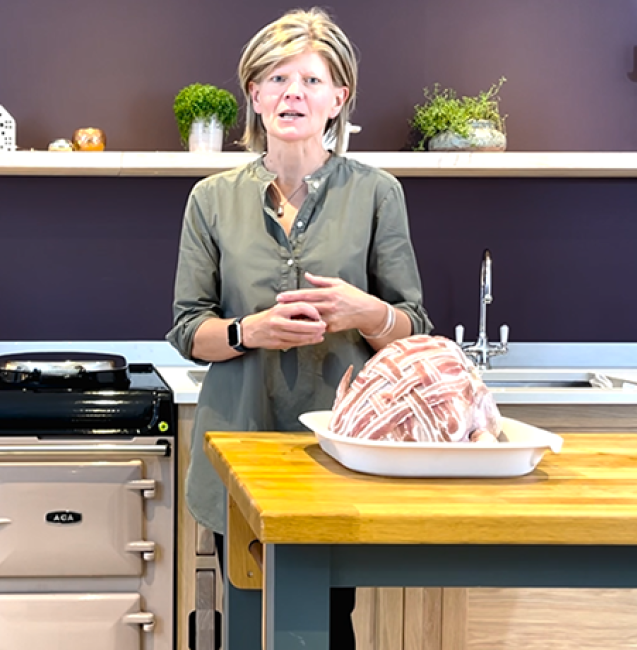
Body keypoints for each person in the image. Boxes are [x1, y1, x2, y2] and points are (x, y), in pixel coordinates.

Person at [166, 7, 433, 648]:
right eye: (278, 78)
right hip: (239, 449)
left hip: (339, 453)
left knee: (324, 623)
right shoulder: (211, 198)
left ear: (339, 98)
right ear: (254, 94)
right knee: (249, 620)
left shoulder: (376, 193)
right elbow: (186, 329)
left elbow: (414, 326)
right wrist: (246, 332)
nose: (294, 94)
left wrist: (368, 313)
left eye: (312, 81)